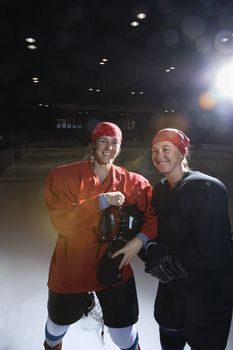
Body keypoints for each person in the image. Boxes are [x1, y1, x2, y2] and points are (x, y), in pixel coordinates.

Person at [43, 121, 157, 350]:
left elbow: (153, 217)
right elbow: (62, 221)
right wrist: (102, 201)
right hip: (71, 265)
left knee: (123, 333)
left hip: (113, 266)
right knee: (56, 329)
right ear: (94, 144)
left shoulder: (133, 183)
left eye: (114, 142)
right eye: (103, 141)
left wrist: (138, 242)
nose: (109, 147)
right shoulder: (65, 176)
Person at [145, 128, 233, 350]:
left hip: (206, 299)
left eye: (166, 149)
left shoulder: (208, 188)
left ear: (182, 153)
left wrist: (169, 264)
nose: (158, 155)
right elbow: (158, 233)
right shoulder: (160, 190)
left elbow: (213, 250)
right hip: (171, 297)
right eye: (155, 150)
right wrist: (147, 248)